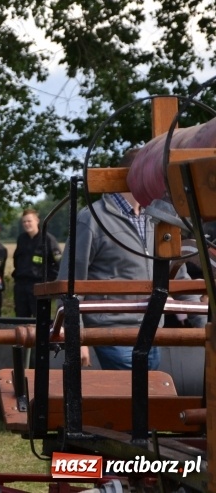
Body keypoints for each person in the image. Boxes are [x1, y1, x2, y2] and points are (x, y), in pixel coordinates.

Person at [57, 149, 198, 370]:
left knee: (146, 398)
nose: (163, 184)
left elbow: (179, 276)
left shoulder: (160, 220)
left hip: (152, 331)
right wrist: (76, 337)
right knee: (133, 396)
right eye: (158, 175)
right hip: (110, 332)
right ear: (139, 175)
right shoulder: (92, 219)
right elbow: (69, 281)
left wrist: (205, 325)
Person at [11, 209, 62, 318]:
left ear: (37, 221)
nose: (26, 224)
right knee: (20, 319)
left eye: (29, 221)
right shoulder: (21, 239)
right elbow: (16, 261)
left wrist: (48, 283)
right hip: (21, 286)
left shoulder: (48, 239)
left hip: (39, 286)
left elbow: (57, 264)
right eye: (24, 222)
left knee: (41, 319)